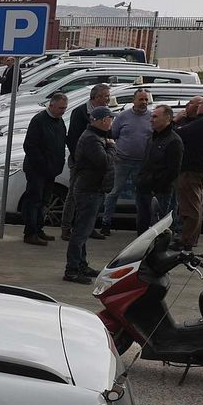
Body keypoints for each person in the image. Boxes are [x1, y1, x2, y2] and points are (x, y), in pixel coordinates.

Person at [65, 107, 116, 282]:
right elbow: (104, 162)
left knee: (84, 231)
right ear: (103, 121)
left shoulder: (96, 137)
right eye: (111, 119)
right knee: (81, 231)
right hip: (88, 190)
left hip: (94, 188)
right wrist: (111, 148)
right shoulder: (92, 139)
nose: (112, 123)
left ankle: (81, 264)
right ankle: (72, 270)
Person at [63, 85, 113, 240]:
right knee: (73, 194)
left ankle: (89, 227)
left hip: (98, 165)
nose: (108, 99)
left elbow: (109, 136)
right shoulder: (80, 112)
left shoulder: (106, 113)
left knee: (96, 197)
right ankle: (66, 227)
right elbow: (73, 139)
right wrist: (80, 160)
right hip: (82, 164)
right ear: (96, 97)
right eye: (105, 96)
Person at [21, 92, 69, 245]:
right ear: (52, 105)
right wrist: (43, 164)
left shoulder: (59, 121)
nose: (63, 111)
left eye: (64, 108)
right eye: (60, 108)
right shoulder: (39, 120)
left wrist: (57, 164)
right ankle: (30, 232)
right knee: (34, 201)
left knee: (44, 202)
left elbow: (60, 144)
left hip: (51, 170)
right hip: (37, 170)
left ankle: (39, 229)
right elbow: (30, 146)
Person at [173, 95, 203, 248]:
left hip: (191, 170)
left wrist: (176, 119)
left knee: (190, 208)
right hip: (197, 169)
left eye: (200, 104)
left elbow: (176, 134)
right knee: (195, 205)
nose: (197, 106)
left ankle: (186, 240)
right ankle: (190, 238)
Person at [108, 88, 154, 233]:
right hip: (122, 161)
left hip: (142, 163)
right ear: (134, 100)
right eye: (141, 99)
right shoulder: (123, 116)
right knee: (114, 192)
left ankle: (141, 225)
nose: (144, 102)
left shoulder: (152, 117)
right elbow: (113, 135)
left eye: (146, 99)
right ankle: (106, 223)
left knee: (141, 196)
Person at [134, 104, 183, 232]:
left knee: (156, 227)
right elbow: (146, 162)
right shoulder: (153, 137)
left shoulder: (174, 141)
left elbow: (173, 170)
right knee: (142, 224)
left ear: (167, 118)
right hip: (143, 188)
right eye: (151, 117)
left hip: (158, 193)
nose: (151, 120)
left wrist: (157, 187)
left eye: (155, 117)